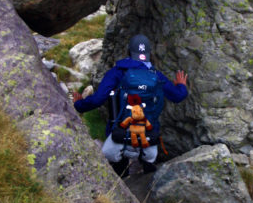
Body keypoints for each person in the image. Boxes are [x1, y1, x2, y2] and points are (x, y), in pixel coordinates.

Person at [72, 33, 188, 178]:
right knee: (149, 166)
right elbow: (178, 96)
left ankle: (122, 184)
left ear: (128, 51)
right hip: (149, 133)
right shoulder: (156, 75)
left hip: (120, 132)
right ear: (148, 53)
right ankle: (147, 181)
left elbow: (97, 99)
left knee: (118, 167)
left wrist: (78, 105)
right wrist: (182, 86)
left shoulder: (117, 72)